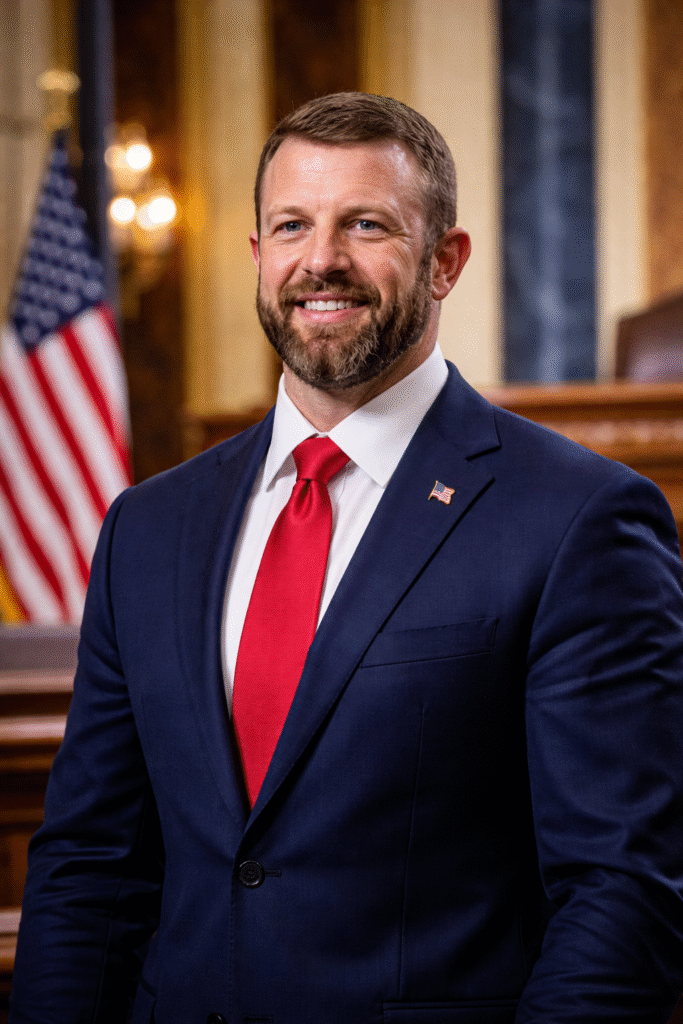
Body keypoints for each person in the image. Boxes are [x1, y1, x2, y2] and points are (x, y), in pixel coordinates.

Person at [10, 92, 683, 1024]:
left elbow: (621, 892)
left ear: (445, 262)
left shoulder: (579, 520)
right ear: (257, 256)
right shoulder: (146, 529)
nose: (320, 259)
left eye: (364, 224)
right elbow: (90, 869)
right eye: (292, 224)